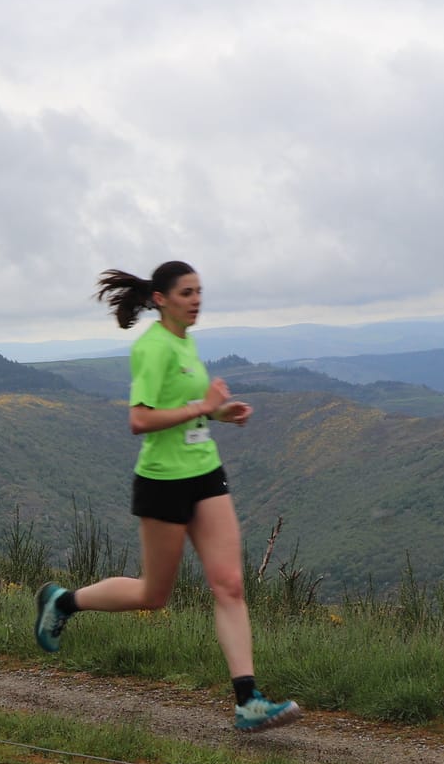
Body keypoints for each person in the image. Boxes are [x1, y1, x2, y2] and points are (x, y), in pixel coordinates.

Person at [34, 261, 301, 733]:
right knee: (153, 595)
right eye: (186, 292)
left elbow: (186, 410)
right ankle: (63, 602)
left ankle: (248, 700)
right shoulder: (152, 347)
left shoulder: (186, 342)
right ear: (160, 299)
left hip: (205, 473)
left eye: (199, 291)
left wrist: (218, 414)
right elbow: (140, 419)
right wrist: (202, 405)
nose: (196, 299)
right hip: (162, 481)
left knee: (230, 585)